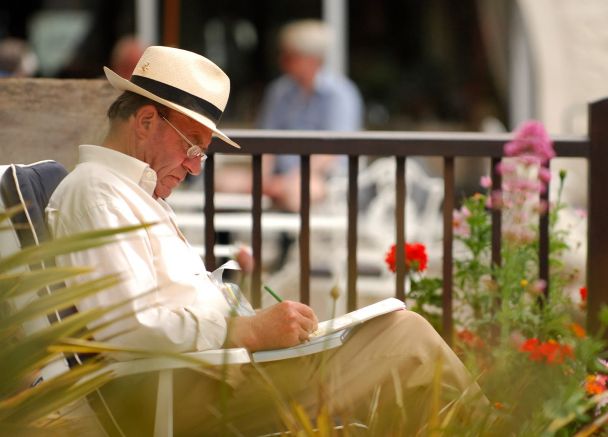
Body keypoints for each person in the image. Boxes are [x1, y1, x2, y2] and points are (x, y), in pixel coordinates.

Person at [46, 46, 481, 434]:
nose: (195, 167)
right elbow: (132, 328)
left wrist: (243, 314)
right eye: (192, 146)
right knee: (404, 338)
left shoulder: (131, 193)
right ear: (144, 122)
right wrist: (249, 328)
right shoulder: (99, 192)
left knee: (396, 340)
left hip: (209, 378)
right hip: (185, 394)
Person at [256, 19, 363, 212]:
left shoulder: (340, 93)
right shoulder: (279, 91)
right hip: (281, 176)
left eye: (290, 56)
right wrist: (262, 178)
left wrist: (290, 178)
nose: (282, 61)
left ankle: (295, 243)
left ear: (313, 60)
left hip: (327, 179)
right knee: (224, 183)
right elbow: (265, 141)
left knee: (297, 192)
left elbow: (334, 149)